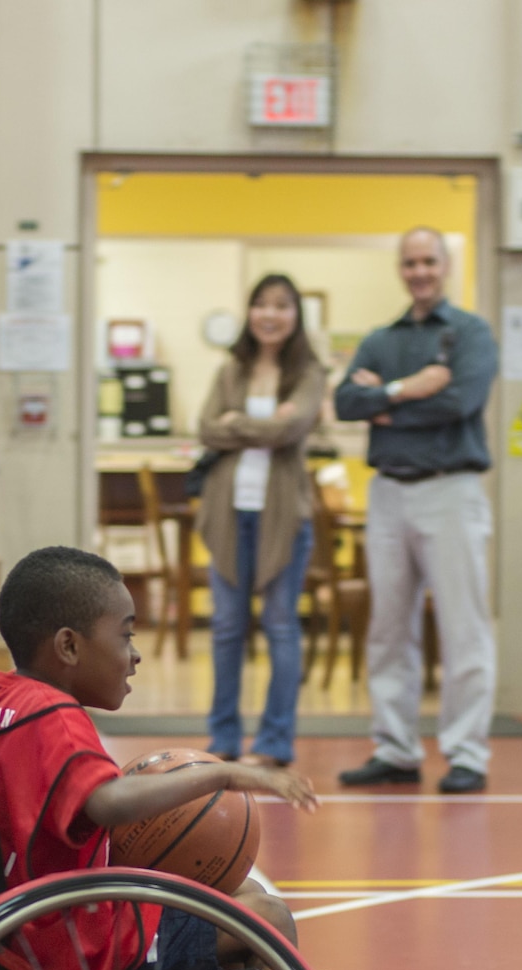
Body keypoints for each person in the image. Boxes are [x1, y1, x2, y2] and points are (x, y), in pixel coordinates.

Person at [0, 546, 403, 970]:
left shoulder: (4, 698)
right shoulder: (56, 717)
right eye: (126, 632)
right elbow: (106, 801)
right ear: (67, 644)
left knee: (242, 897)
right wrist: (222, 772)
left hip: (23, 932)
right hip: (79, 945)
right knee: (269, 919)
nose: (136, 652)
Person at [332, 227, 500, 796]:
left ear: (445, 265)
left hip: (451, 491)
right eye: (410, 262)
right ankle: (396, 750)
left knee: (464, 627)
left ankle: (467, 753)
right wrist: (410, 388)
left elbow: (462, 402)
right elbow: (346, 402)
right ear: (400, 269)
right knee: (387, 629)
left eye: (429, 261)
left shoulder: (472, 334)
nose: (419, 271)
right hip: (389, 494)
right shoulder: (381, 338)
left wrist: (385, 401)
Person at [194, 274, 326, 767]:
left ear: (296, 315)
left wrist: (238, 424)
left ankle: (274, 743)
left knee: (280, 626)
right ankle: (223, 737)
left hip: (283, 519)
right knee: (227, 627)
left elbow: (293, 427)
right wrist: (266, 428)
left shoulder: (309, 373)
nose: (270, 315)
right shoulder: (231, 369)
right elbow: (206, 428)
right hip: (230, 515)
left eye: (282, 305)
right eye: (261, 304)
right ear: (250, 313)